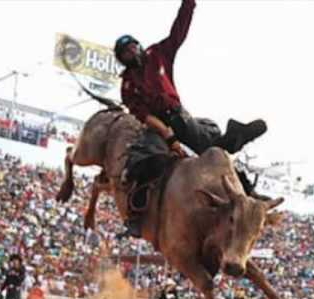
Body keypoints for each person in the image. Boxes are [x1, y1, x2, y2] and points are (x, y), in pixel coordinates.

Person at [114, 0, 270, 236]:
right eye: (125, 52)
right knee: (140, 165)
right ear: (122, 58)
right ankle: (135, 218)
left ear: (139, 46)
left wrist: (189, 4)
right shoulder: (127, 84)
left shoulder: (157, 54)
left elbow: (178, 31)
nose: (131, 52)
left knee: (214, 152)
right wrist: (168, 138)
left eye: (132, 47)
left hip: (178, 115)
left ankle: (246, 185)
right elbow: (143, 116)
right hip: (156, 127)